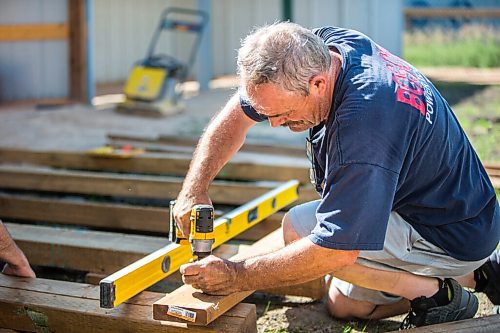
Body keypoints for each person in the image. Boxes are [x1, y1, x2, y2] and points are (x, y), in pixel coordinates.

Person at [172, 22, 500, 329]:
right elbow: (236, 116)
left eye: (282, 113)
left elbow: (335, 250)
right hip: (452, 211)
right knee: (344, 306)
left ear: (317, 84)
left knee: (300, 230)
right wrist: (194, 189)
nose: (272, 123)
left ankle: (436, 296)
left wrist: (236, 275)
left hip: (451, 230)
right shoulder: (321, 50)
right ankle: (480, 275)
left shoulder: (364, 127)